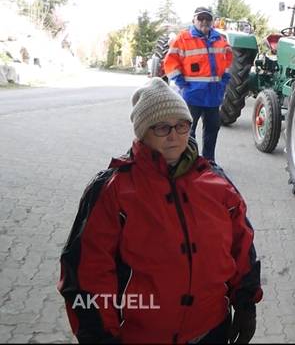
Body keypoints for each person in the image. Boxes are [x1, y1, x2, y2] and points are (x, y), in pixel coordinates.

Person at [58, 78, 261, 344]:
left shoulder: (216, 182)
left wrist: (245, 301)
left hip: (211, 330)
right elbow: (88, 271)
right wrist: (99, 335)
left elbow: (242, 245)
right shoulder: (113, 190)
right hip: (142, 334)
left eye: (182, 125)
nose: (175, 135)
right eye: (162, 127)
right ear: (142, 132)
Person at [163, 7, 232, 162]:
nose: (204, 22)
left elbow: (227, 62)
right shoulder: (182, 39)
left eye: (207, 19)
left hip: (213, 97)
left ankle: (209, 162)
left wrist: (224, 82)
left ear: (212, 21)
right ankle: (188, 162)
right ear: (194, 20)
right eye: (200, 18)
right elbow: (170, 62)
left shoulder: (221, 40)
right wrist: (182, 83)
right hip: (192, 97)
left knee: (212, 129)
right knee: (187, 132)